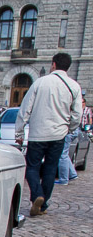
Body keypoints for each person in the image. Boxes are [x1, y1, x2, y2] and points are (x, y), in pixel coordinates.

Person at [15, 52, 82, 216]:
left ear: (53, 64)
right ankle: (43, 205)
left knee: (32, 167)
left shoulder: (40, 82)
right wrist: (70, 128)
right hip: (59, 134)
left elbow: (25, 108)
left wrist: (19, 131)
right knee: (51, 169)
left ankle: (37, 195)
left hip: (38, 133)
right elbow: (77, 114)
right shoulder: (74, 86)